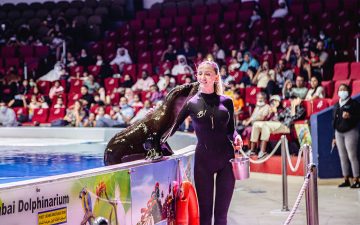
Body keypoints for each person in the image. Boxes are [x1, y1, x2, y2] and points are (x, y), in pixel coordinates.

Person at [171, 60, 243, 225]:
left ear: (216, 77)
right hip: (203, 161)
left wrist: (237, 137)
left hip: (226, 160)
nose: (203, 77)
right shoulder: (191, 103)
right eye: (200, 73)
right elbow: (173, 126)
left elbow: (231, 130)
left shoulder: (227, 102)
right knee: (205, 216)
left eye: (208, 74)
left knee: (221, 216)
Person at [333, 84, 360, 188]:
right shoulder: (336, 105)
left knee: (352, 156)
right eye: (340, 90)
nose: (342, 91)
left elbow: (358, 117)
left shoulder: (354, 104)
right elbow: (334, 121)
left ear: (349, 91)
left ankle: (356, 179)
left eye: (344, 89)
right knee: (342, 156)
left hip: (351, 132)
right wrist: (334, 137)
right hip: (338, 133)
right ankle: (346, 179)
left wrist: (350, 116)